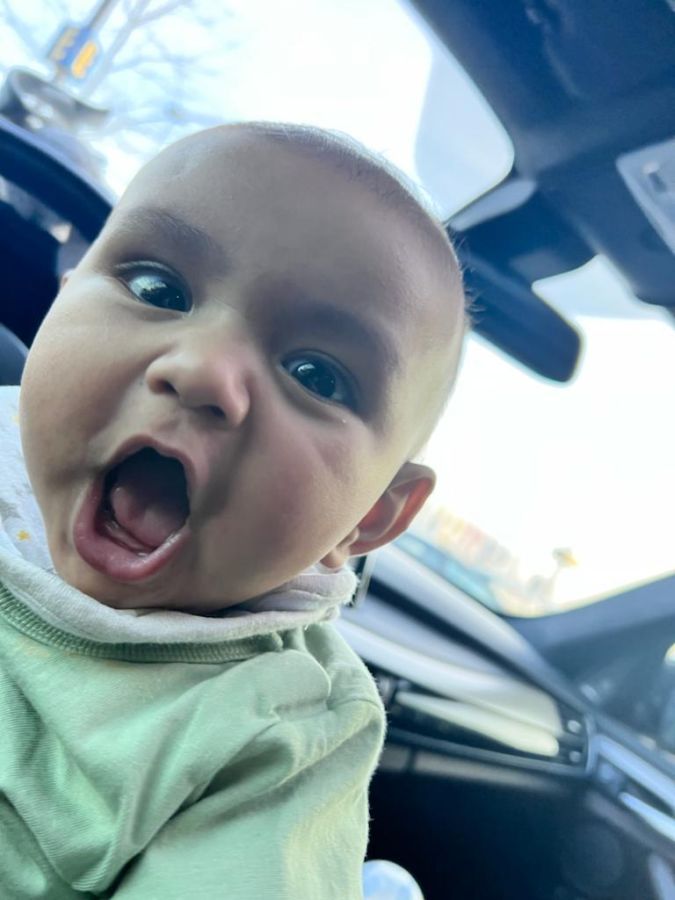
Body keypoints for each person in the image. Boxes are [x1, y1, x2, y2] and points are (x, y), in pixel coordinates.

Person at [0, 122, 466, 899]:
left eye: (316, 375)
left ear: (370, 517)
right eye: (157, 290)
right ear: (60, 298)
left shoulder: (278, 727)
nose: (203, 370)